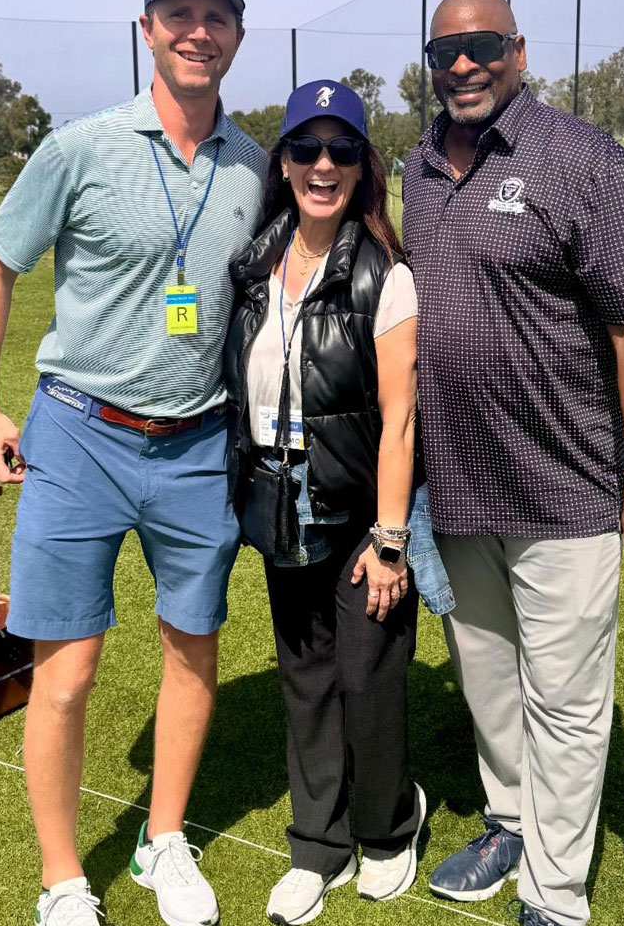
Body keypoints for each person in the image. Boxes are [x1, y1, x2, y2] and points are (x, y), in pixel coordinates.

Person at [0, 0, 267, 926]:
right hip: (79, 436)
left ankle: (162, 839)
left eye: (215, 15)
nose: (197, 31)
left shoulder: (256, 165)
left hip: (198, 445)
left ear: (237, 34)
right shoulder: (81, 147)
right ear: (147, 30)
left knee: (193, 648)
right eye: (178, 13)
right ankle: (62, 880)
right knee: (68, 671)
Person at [402, 0, 624, 926]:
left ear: (518, 51)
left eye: (482, 45)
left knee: (565, 701)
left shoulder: (585, 162)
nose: (463, 64)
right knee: (489, 685)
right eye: (444, 51)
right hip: (457, 485)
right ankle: (511, 822)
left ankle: (557, 896)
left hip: (564, 484)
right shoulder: (418, 167)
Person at [224, 79, 429, 925]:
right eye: (306, 148)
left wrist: (390, 540)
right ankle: (318, 843)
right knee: (305, 678)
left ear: (361, 166)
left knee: (367, 679)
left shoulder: (387, 275)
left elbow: (400, 419)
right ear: (283, 163)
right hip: (279, 503)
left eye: (341, 149)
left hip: (358, 514)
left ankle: (387, 827)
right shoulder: (255, 262)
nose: (322, 164)